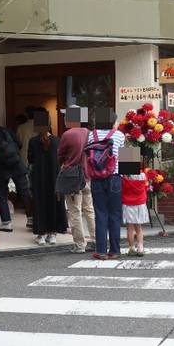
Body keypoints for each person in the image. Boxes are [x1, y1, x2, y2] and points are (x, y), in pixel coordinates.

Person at [57, 106, 96, 254]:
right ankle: (96, 240)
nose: (65, 120)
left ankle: (80, 244)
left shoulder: (68, 134)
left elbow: (60, 154)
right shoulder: (89, 133)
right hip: (87, 176)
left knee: (74, 211)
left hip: (72, 177)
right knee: (89, 209)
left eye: (66, 117)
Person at [87, 111, 125, 260]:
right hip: (115, 178)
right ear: (112, 122)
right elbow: (126, 159)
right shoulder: (119, 135)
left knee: (100, 214)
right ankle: (115, 250)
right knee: (115, 215)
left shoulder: (92, 135)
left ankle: (101, 251)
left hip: (96, 178)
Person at [28, 117, 68, 246]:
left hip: (38, 178)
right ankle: (53, 234)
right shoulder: (58, 141)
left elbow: (30, 160)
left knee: (40, 204)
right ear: (50, 125)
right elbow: (63, 158)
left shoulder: (33, 141)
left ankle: (41, 235)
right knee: (54, 203)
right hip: (55, 178)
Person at [122, 172, 148, 257]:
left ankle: (131, 248)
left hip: (128, 203)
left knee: (130, 228)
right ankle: (140, 248)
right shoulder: (142, 175)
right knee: (138, 228)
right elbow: (145, 186)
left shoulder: (124, 177)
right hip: (139, 203)